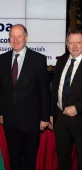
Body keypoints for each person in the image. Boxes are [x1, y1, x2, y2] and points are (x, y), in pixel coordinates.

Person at [0, 24, 50, 170]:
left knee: (29, 160)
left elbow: (44, 90)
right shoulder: (2, 59)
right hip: (10, 120)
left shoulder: (38, 59)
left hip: (31, 121)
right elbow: (1, 89)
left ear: (26, 38)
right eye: (12, 36)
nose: (15, 40)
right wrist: (1, 112)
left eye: (19, 36)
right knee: (14, 160)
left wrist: (45, 117)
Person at [50, 30, 82, 170]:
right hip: (61, 119)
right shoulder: (62, 61)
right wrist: (51, 113)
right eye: (71, 42)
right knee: (63, 159)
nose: (75, 46)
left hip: (80, 119)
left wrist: (78, 108)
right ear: (66, 44)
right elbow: (54, 89)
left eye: (79, 42)